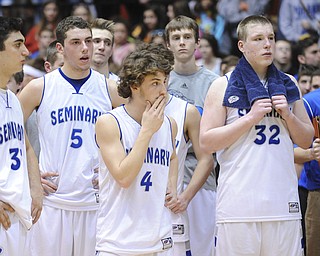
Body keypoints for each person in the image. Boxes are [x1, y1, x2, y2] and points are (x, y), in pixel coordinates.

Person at [199, 15, 314, 255]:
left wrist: (289, 116)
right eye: (258, 39)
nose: (267, 44)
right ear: (242, 46)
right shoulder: (222, 85)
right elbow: (206, 141)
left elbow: (306, 139)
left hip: (283, 203)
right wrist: (250, 118)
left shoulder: (289, 83)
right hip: (239, 205)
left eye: (271, 38)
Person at [18, 16, 124, 256]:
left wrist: (117, 165)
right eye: (76, 42)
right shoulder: (39, 88)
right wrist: (29, 172)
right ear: (60, 48)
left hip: (96, 202)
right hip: (52, 202)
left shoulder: (110, 89)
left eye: (88, 41)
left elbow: (138, 131)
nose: (86, 48)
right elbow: (8, 131)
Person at [95, 42, 178, 255]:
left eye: (165, 82)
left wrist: (172, 185)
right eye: (155, 83)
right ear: (134, 85)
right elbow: (123, 177)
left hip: (160, 239)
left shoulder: (169, 125)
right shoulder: (110, 122)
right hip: (118, 243)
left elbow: (172, 158)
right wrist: (147, 131)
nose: (163, 91)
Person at [165, 15, 219, 256]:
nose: (182, 43)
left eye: (187, 37)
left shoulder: (215, 83)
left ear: (197, 43)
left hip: (203, 177)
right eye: (176, 38)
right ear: (168, 44)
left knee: (203, 249)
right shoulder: (159, 82)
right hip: (165, 178)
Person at [0, 16, 43, 256]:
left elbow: (26, 147)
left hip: (20, 213)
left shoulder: (12, 100)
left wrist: (35, 188)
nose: (26, 52)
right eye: (17, 45)